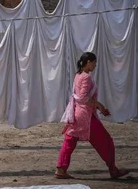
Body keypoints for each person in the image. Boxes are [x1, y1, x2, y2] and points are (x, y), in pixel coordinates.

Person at [55, 52, 130, 180]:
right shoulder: (86, 77)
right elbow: (83, 97)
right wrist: (99, 105)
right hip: (85, 116)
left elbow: (79, 96)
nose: (95, 65)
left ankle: (61, 169)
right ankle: (113, 170)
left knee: (70, 141)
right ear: (88, 62)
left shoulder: (78, 75)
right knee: (106, 141)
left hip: (77, 113)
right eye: (94, 62)